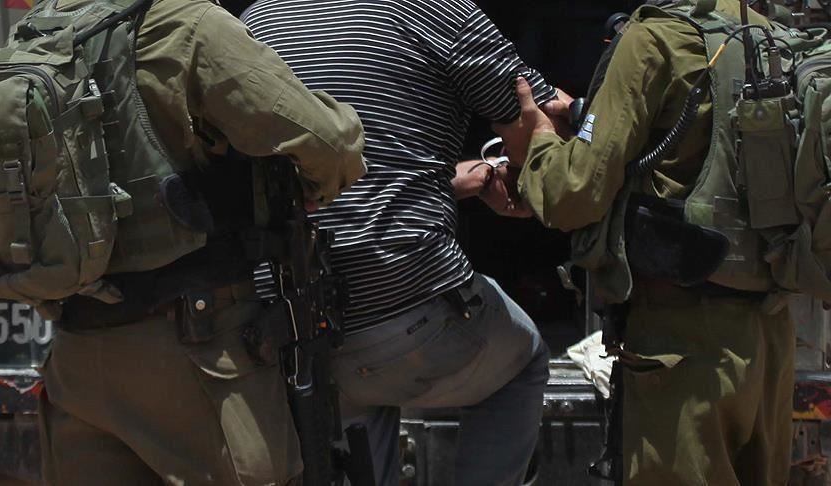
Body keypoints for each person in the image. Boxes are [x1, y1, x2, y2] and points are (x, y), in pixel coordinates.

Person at [32, 0, 365, 484]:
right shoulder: (187, 24)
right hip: (194, 350)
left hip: (76, 357)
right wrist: (312, 186)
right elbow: (330, 144)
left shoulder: (45, 29)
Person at [240, 0, 564, 484]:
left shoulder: (258, 20)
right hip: (407, 301)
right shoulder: (433, 10)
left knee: (356, 390)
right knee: (524, 360)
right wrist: (522, 170)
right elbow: (539, 115)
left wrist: (444, 181)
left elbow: (330, 173)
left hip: (292, 319)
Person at [504, 0, 794, 484]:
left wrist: (539, 140)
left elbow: (573, 194)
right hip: (771, 338)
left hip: (683, 342)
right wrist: (584, 113)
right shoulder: (769, 35)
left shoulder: (654, 38)